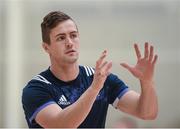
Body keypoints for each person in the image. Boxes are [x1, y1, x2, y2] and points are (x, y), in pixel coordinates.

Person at [22, 11, 158, 128]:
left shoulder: (101, 78)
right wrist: (94, 89)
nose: (69, 42)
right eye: (61, 38)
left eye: (73, 35)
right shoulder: (36, 88)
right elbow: (62, 126)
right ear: (46, 47)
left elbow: (147, 113)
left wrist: (147, 82)